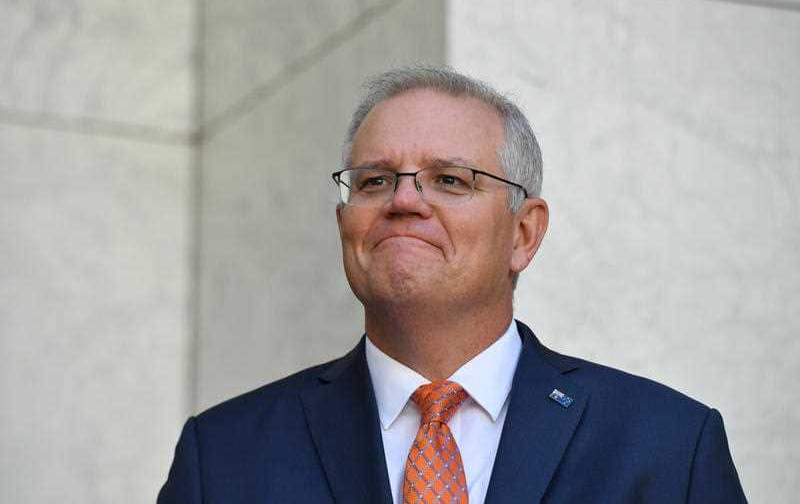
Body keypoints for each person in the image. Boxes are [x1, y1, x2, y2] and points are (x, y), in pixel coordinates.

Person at [158, 66, 746, 503]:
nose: (404, 200)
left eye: (449, 180)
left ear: (523, 233)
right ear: (345, 225)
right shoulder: (224, 457)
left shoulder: (668, 447)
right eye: (374, 181)